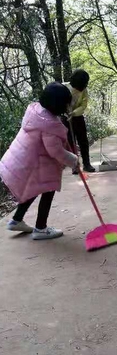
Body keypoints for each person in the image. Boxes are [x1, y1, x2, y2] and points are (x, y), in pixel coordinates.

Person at [1, 82, 79, 240]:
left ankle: (16, 220)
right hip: (33, 165)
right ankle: (41, 228)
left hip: (22, 162)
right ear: (58, 104)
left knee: (34, 188)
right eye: (66, 103)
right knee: (48, 189)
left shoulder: (37, 112)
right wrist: (74, 160)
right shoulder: (50, 125)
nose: (68, 106)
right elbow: (56, 151)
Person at [64, 69, 95, 173]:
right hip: (65, 118)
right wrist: (66, 112)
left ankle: (87, 164)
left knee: (83, 141)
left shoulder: (84, 90)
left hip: (78, 117)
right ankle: (75, 165)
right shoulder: (65, 88)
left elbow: (83, 105)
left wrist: (73, 113)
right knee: (70, 142)